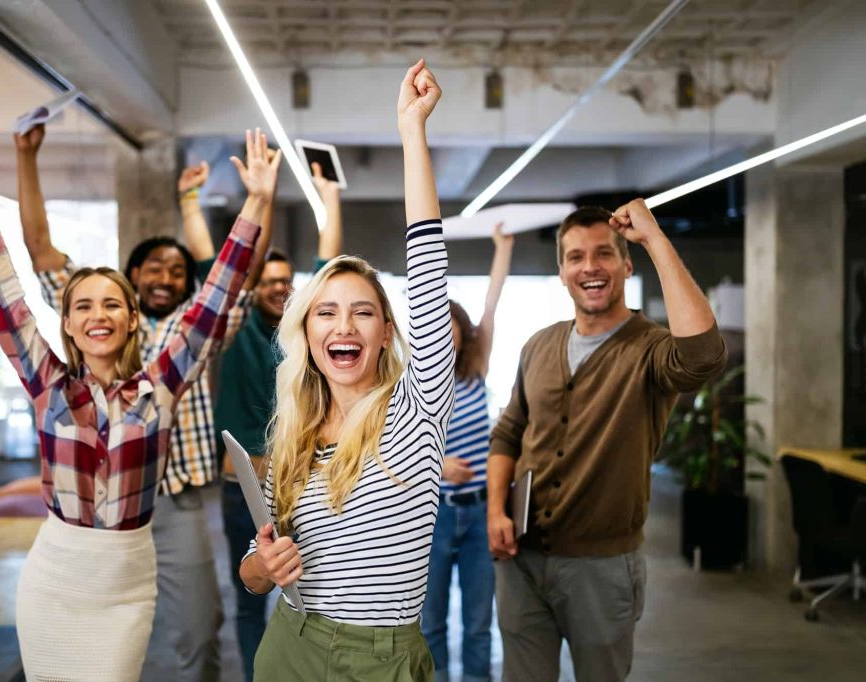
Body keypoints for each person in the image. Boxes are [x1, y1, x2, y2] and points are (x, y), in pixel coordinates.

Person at [0, 106, 278, 681]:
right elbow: (4, 301)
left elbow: (216, 299)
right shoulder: (48, 383)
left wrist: (254, 203)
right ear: (68, 324)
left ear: (130, 320)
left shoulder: (160, 386)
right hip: (55, 575)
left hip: (126, 580)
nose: (96, 314)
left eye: (111, 304)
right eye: (82, 305)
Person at [238, 59, 453, 682]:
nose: (345, 327)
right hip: (291, 644)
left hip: (380, 660)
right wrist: (261, 568)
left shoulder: (416, 410)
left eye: (364, 313)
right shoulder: (296, 431)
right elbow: (256, 568)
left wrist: (411, 131)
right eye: (326, 313)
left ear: (387, 332)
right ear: (306, 334)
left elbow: (429, 262)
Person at [486, 203, 728, 682]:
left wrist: (656, 239)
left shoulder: (651, 350)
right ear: (561, 272)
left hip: (601, 567)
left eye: (603, 254)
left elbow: (703, 356)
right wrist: (496, 510)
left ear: (626, 264)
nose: (590, 267)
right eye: (575, 257)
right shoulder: (538, 344)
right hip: (521, 561)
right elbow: (510, 431)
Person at [208, 160, 343, 682]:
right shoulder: (235, 330)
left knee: (310, 595)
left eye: (287, 282)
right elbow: (236, 273)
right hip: (239, 489)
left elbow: (329, 265)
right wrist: (259, 200)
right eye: (268, 280)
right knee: (249, 598)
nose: (278, 287)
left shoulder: (304, 337)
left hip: (297, 487)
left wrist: (329, 197)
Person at [422, 224, 514, 682]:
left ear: (460, 334)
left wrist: (503, 250)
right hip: (430, 513)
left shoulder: (474, 373)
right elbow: (383, 451)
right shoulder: (410, 390)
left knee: (479, 625)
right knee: (430, 624)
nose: (444, 335)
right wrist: (435, 466)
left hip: (480, 515)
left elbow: (491, 307)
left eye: (450, 327)